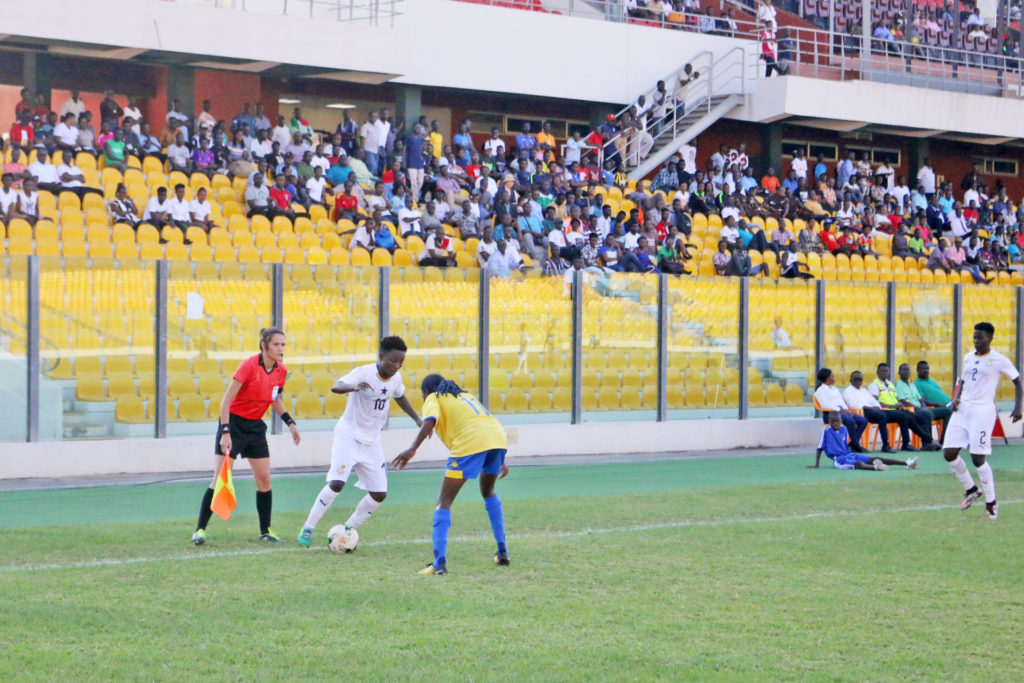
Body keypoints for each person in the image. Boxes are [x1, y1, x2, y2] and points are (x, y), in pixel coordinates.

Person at [297, 336, 422, 548]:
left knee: (379, 493)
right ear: (381, 356)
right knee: (337, 483)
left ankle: (346, 530)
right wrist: (353, 388)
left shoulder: (396, 379)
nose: (397, 366)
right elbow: (336, 386)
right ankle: (307, 528)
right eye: (393, 361)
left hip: (372, 442)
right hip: (348, 437)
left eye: (401, 362)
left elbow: (399, 396)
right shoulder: (363, 373)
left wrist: (417, 419)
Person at [391, 374, 510, 575]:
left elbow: (429, 420)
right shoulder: (466, 396)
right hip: (497, 439)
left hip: (471, 442)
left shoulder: (434, 397)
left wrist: (412, 449)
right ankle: (503, 553)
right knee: (488, 491)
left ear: (425, 392)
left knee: (444, 501)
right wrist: (499, 458)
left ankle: (439, 564)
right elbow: (482, 423)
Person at [191, 327, 301, 545]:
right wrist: (225, 432)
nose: (281, 349)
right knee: (221, 478)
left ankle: (266, 530)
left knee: (264, 478)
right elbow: (226, 401)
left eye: (283, 345)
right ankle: (200, 530)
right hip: (233, 424)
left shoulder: (281, 371)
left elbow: (274, 400)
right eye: (276, 344)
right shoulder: (248, 366)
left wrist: (290, 422)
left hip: (255, 428)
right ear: (264, 346)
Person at [942, 322, 1023, 520]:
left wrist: (1018, 407)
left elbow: (1017, 381)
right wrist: (956, 398)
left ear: (990, 338)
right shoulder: (968, 357)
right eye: (975, 337)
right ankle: (971, 490)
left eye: (980, 337)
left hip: (983, 410)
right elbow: (963, 380)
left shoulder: (998, 359)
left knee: (978, 458)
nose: (976, 341)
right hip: (962, 409)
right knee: (949, 453)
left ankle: (991, 502)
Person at [809, 411, 918, 471]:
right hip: (839, 459)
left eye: (837, 421)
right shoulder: (826, 430)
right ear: (829, 422)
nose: (835, 423)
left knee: (875, 458)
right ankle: (876, 467)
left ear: (841, 421)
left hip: (849, 454)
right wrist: (816, 464)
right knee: (858, 464)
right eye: (833, 421)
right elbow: (820, 448)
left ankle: (907, 463)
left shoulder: (844, 429)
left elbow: (845, 445)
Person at [842, 371, 920, 454]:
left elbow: (874, 401)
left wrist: (876, 407)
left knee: (901, 415)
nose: (858, 381)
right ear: (851, 380)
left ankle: (906, 444)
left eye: (860, 379)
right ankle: (885, 445)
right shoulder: (848, 391)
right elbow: (855, 405)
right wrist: (872, 408)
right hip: (863, 412)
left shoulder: (864, 390)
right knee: (882, 416)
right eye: (855, 379)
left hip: (874, 410)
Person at [869, 363, 941, 451]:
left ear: (889, 373)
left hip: (896, 410)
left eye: (886, 371)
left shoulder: (890, 384)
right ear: (877, 372)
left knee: (920, 417)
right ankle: (927, 440)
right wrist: (894, 406)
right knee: (906, 417)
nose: (884, 373)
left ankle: (924, 443)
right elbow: (875, 402)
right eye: (882, 371)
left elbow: (896, 398)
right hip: (884, 411)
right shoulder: (874, 385)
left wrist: (899, 404)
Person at [813, 368, 867, 452]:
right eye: (832, 376)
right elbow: (824, 405)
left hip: (842, 412)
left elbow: (841, 402)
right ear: (827, 378)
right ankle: (856, 445)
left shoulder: (834, 389)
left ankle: (852, 443)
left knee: (863, 420)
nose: (834, 378)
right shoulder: (820, 391)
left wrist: (846, 410)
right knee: (851, 422)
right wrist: (840, 410)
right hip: (831, 415)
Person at [896, 362, 952, 443]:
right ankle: (928, 442)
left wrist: (923, 406)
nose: (906, 372)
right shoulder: (899, 385)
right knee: (926, 414)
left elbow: (920, 400)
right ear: (899, 372)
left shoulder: (912, 385)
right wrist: (920, 408)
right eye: (904, 370)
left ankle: (943, 441)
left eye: (908, 370)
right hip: (913, 410)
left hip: (922, 409)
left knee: (948, 411)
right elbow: (903, 401)